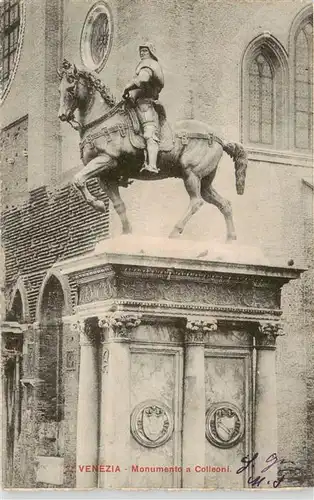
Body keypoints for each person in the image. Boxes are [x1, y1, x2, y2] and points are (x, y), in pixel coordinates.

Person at [122, 43, 164, 173]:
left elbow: (143, 79)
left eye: (145, 50)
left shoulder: (149, 65)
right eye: (140, 51)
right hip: (136, 105)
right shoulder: (143, 65)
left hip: (147, 105)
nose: (142, 53)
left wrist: (128, 86)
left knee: (149, 133)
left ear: (151, 52)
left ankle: (152, 165)